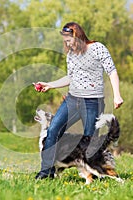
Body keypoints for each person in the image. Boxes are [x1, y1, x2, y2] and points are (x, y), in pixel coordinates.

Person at [34, 22, 124, 180]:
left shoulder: (98, 48)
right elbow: (71, 77)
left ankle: (93, 176)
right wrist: (50, 85)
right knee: (53, 130)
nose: (67, 44)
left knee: (89, 140)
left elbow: (112, 71)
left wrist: (117, 94)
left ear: (77, 36)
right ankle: (46, 173)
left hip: (92, 102)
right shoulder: (71, 55)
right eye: (65, 41)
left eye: (69, 40)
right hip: (72, 100)